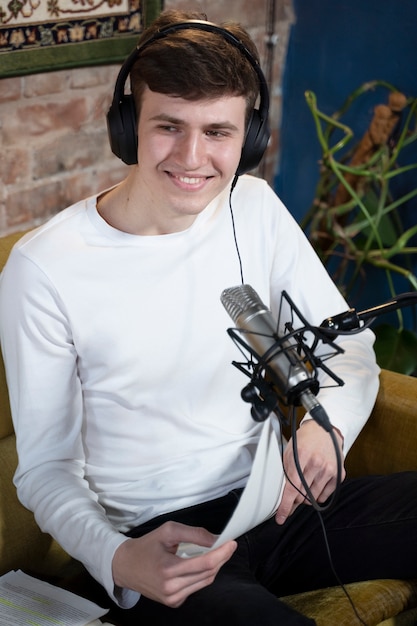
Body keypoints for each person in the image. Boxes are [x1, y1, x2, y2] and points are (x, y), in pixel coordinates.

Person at [0, 9, 416, 626]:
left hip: (277, 501)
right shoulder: (44, 268)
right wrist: (119, 558)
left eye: (218, 132)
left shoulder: (253, 206)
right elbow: (45, 470)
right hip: (162, 539)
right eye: (168, 126)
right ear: (126, 127)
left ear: (248, 136)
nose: (193, 159)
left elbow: (346, 347)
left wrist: (326, 429)